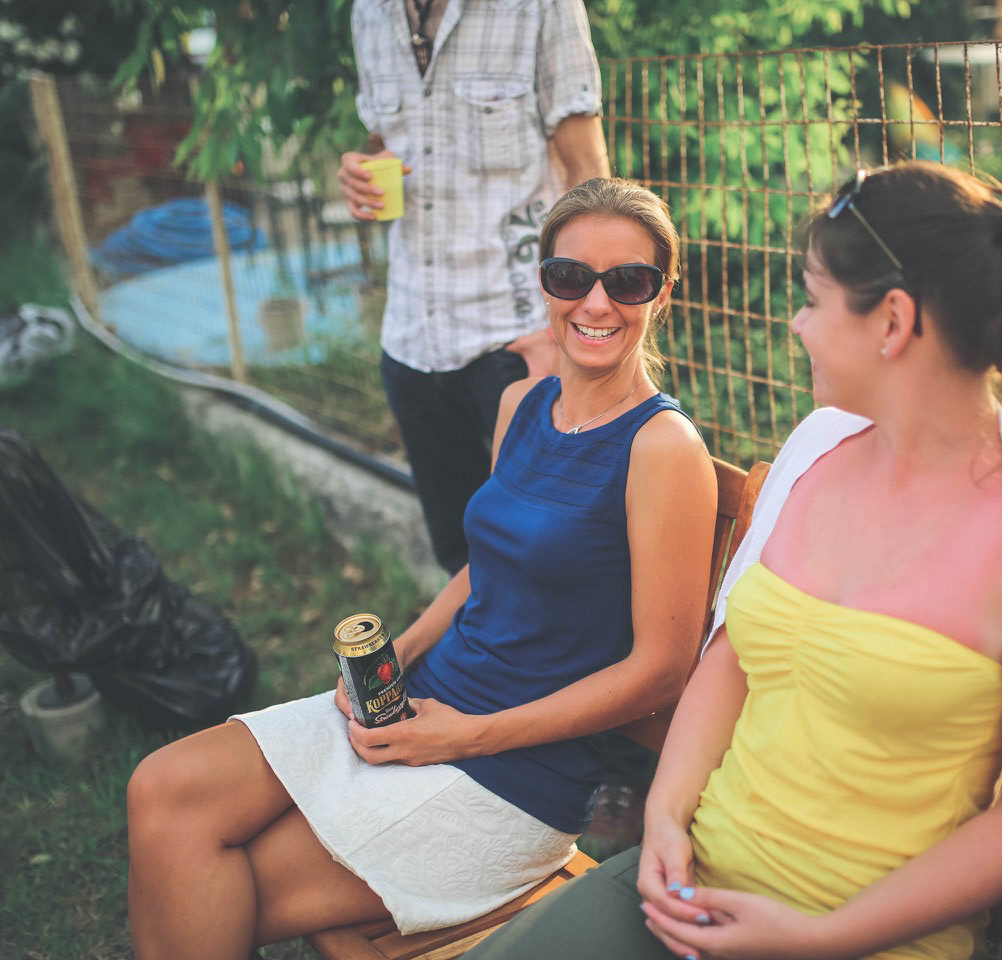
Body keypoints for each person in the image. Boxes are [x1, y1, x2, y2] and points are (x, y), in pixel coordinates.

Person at [462, 161, 1002, 960]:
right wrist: (664, 819)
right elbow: (729, 661)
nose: (798, 325)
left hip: (868, 937)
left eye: (813, 298)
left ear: (891, 321)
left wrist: (821, 935)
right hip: (689, 887)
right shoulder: (817, 446)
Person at [125, 178, 716, 960]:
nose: (596, 302)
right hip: (419, 706)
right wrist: (397, 654)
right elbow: (485, 569)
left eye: (628, 281)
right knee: (159, 789)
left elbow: (661, 672)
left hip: (514, 779)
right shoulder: (523, 405)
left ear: (662, 292)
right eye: (570, 276)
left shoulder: (664, 449)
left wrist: (466, 737)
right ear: (544, 284)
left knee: (212, 881)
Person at [336, 0, 611, 575]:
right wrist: (362, 168)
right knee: (461, 560)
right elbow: (389, 139)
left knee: (552, 557)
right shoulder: (368, 11)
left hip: (518, 344)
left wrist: (571, 329)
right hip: (411, 343)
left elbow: (589, 176)